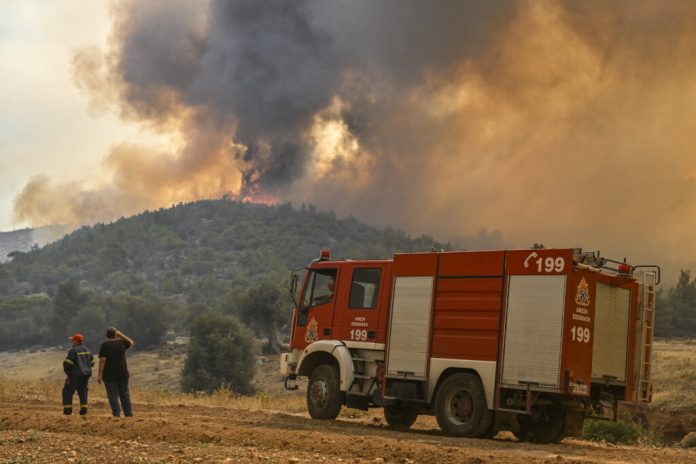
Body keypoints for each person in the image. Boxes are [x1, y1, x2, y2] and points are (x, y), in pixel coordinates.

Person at [97, 327, 135, 417]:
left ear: (106, 335)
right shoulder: (121, 343)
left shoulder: (105, 345)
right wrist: (121, 334)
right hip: (123, 374)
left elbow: (102, 360)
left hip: (109, 375)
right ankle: (128, 414)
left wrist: (100, 375)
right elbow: (131, 342)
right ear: (115, 335)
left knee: (112, 395)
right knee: (125, 394)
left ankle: (116, 414)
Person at [62, 333, 94, 416]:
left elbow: (67, 364)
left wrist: (68, 373)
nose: (71, 342)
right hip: (85, 376)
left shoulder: (73, 351)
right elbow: (92, 363)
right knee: (83, 393)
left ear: (76, 341)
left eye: (72, 340)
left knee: (67, 392)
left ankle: (68, 411)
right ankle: (84, 411)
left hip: (74, 376)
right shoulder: (88, 350)